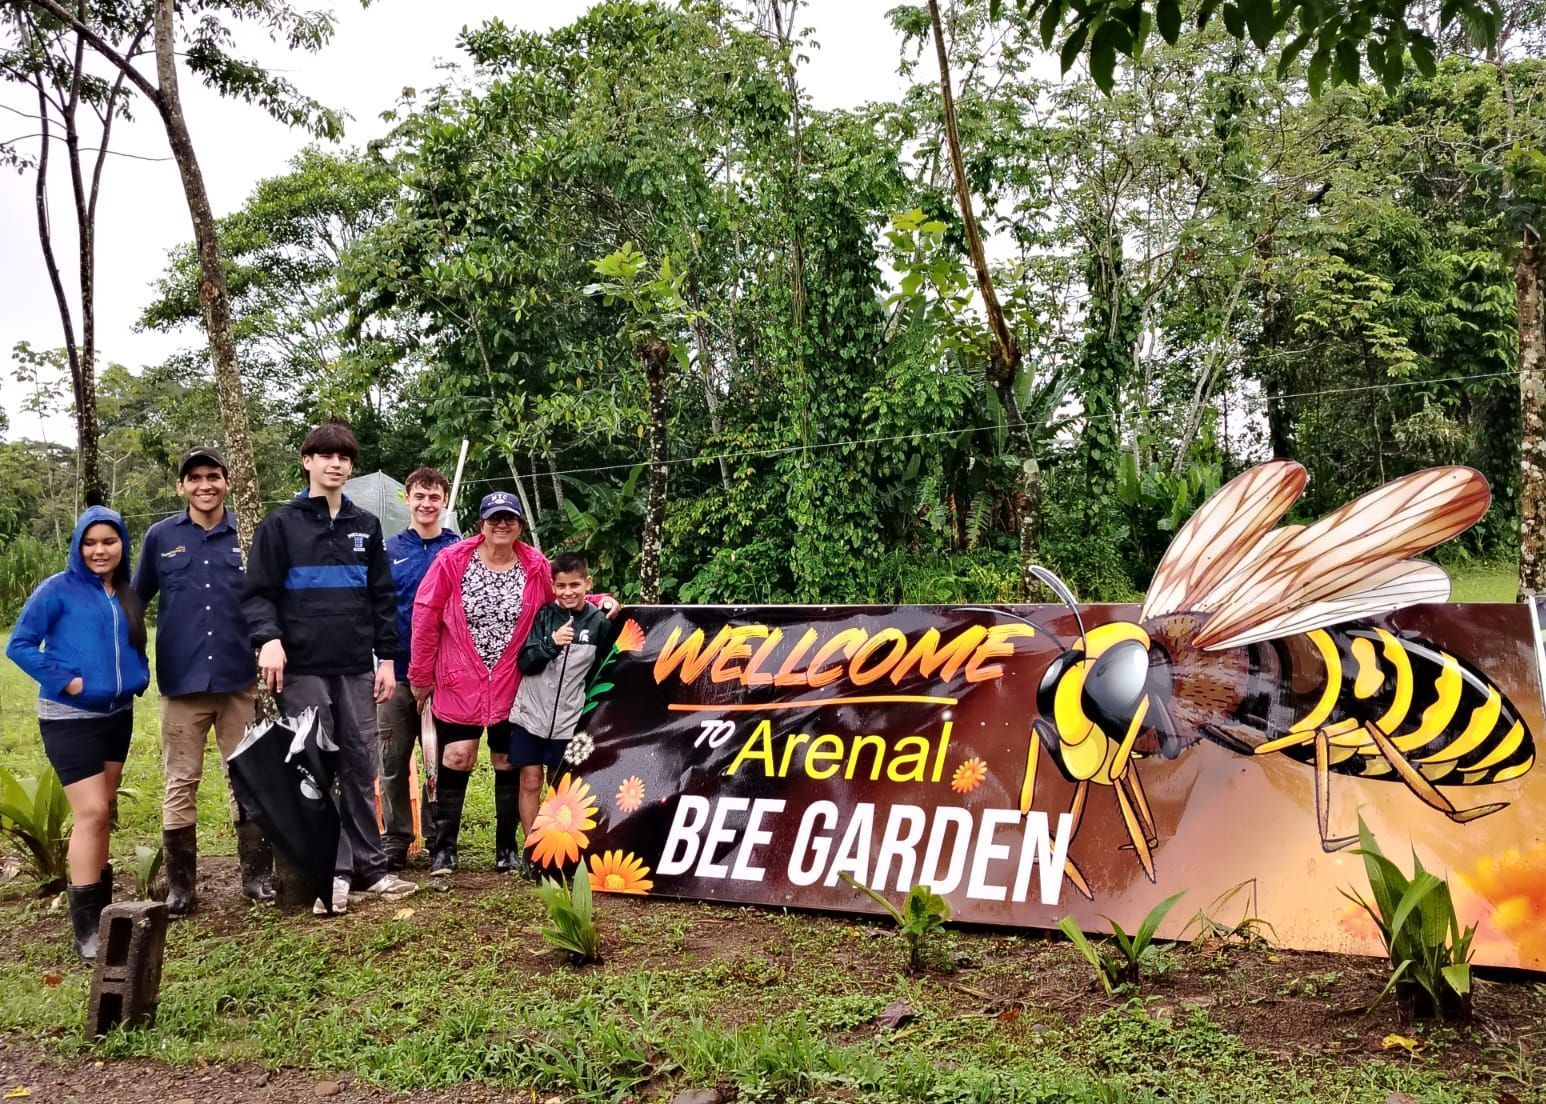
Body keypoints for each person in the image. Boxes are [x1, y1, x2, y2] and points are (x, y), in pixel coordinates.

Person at [241, 423, 418, 915]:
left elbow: (382, 598)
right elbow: (258, 593)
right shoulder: (282, 525)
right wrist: (270, 640)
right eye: (326, 456)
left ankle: (371, 867)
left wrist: (385, 660)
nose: (336, 464)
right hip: (303, 668)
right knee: (315, 769)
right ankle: (332, 872)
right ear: (308, 462)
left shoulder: (365, 525)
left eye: (344, 458)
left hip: (355, 667)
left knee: (361, 763)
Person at [133, 447, 274, 914]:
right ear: (181, 486)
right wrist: (131, 658)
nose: (205, 485)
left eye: (213, 476)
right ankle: (181, 887)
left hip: (238, 679)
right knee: (180, 781)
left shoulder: (249, 534)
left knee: (247, 778)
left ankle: (256, 877)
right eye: (194, 478)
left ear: (228, 482)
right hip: (182, 681)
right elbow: (135, 601)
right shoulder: (161, 537)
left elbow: (269, 598)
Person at [6, 506, 150, 960]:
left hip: (117, 715)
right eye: (90, 542)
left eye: (108, 541)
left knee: (104, 810)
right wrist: (69, 681)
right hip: (69, 717)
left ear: (122, 544)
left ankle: (102, 912)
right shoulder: (58, 589)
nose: (99, 550)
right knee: (90, 813)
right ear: (77, 546)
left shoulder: (126, 593)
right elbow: (20, 644)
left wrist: (136, 675)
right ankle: (86, 931)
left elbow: (130, 644)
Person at [407, 490, 554, 876]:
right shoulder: (452, 561)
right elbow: (425, 616)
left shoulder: (535, 565)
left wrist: (599, 601)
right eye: (494, 519)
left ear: (520, 525)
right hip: (459, 677)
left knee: (507, 760)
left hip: (512, 680)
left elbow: (560, 603)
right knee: (458, 756)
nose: (501, 525)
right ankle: (444, 848)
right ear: (481, 524)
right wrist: (420, 675)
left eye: (509, 519)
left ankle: (505, 847)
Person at [509, 551, 618, 875]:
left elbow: (605, 669)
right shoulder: (544, 616)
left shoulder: (598, 623)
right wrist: (552, 643)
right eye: (560, 586)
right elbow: (525, 661)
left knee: (561, 787)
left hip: (570, 720)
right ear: (552, 587)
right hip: (531, 715)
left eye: (574, 585)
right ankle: (532, 851)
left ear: (588, 583)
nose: (567, 592)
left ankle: (556, 851)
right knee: (530, 781)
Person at [378, 466, 459, 870]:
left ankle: (439, 840)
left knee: (440, 763)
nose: (427, 504)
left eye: (435, 498)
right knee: (392, 760)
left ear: (444, 502)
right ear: (406, 499)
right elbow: (376, 609)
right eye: (420, 497)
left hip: (446, 678)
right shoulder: (389, 550)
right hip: (397, 674)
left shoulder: (459, 551)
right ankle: (395, 837)